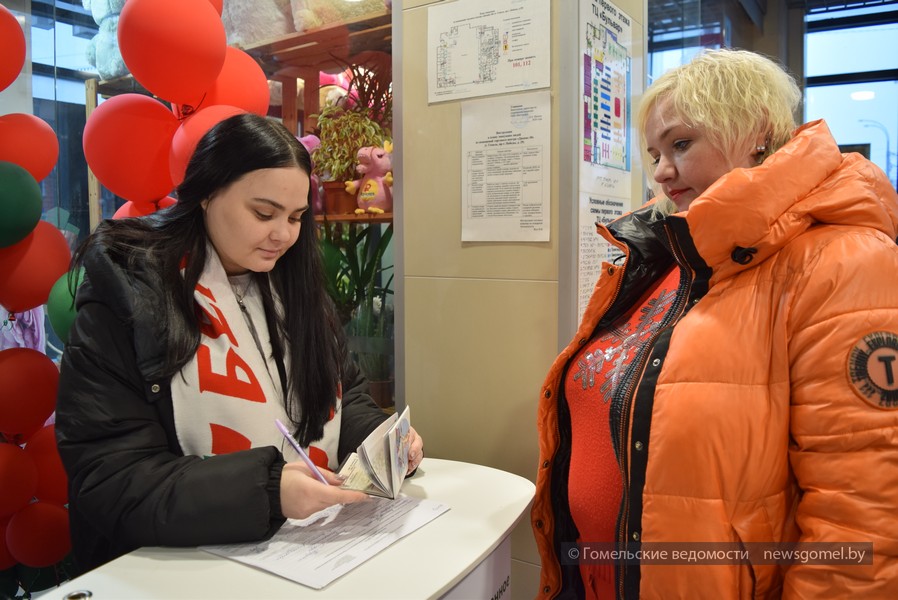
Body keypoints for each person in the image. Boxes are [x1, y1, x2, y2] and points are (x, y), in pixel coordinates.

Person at [532, 48, 898, 599]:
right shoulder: (665, 256)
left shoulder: (845, 261)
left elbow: (864, 513)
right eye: (655, 152)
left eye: (681, 144)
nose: (661, 171)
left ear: (758, 133)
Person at [55, 113, 423, 574]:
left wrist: (380, 443)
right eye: (263, 214)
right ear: (207, 193)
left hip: (302, 552)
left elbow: (341, 395)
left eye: (295, 218)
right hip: (172, 568)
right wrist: (268, 489)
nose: (283, 235)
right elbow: (110, 477)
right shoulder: (132, 294)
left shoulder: (292, 284)